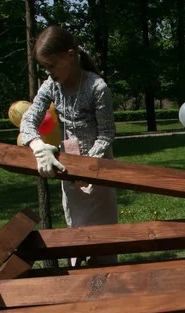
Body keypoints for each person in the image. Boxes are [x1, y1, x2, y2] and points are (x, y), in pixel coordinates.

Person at [19, 26, 117, 265]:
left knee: (102, 239)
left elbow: (106, 134)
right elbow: (29, 118)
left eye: (51, 65)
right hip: (69, 171)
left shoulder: (97, 87)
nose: (48, 72)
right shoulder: (51, 86)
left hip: (98, 171)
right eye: (45, 67)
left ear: (70, 56)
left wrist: (87, 168)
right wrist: (37, 145)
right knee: (76, 231)